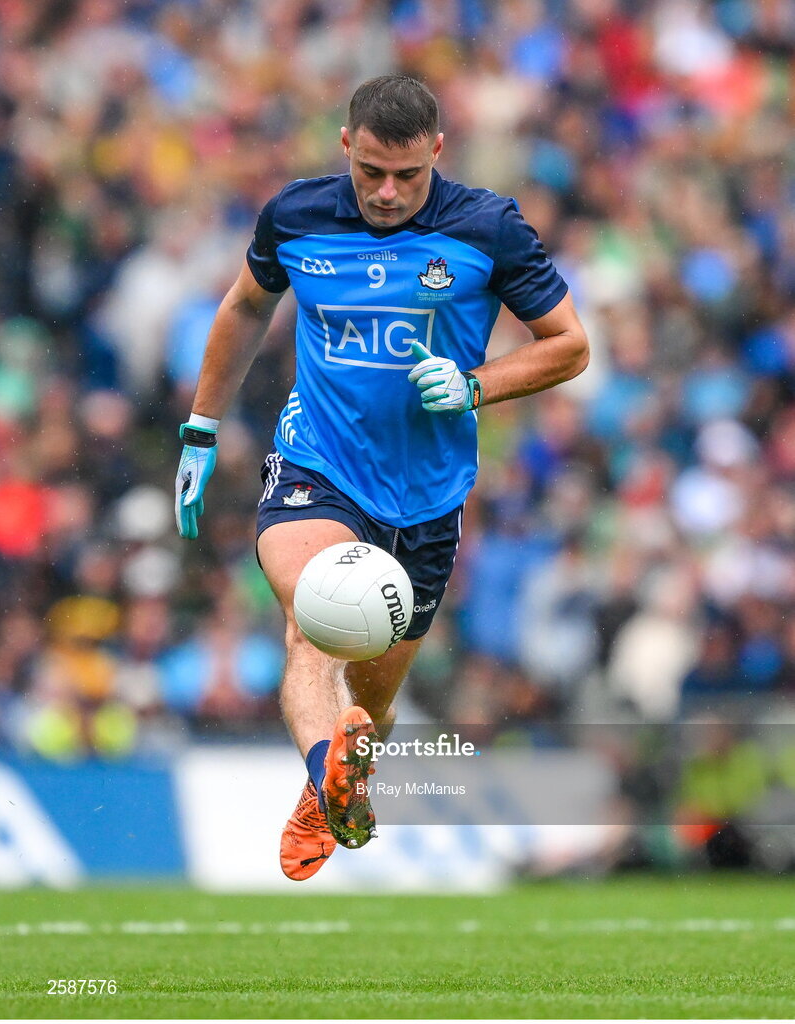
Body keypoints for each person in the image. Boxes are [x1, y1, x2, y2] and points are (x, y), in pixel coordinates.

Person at [174, 75, 589, 881]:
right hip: (318, 468)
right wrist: (200, 425)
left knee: (374, 699)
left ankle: (335, 776)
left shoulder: (487, 228)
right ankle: (324, 768)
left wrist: (476, 385)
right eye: (370, 172)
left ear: (438, 150)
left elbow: (568, 345)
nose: (387, 192)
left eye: (406, 174)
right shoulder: (296, 216)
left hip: (428, 500)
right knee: (313, 622)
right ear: (345, 147)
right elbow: (243, 308)